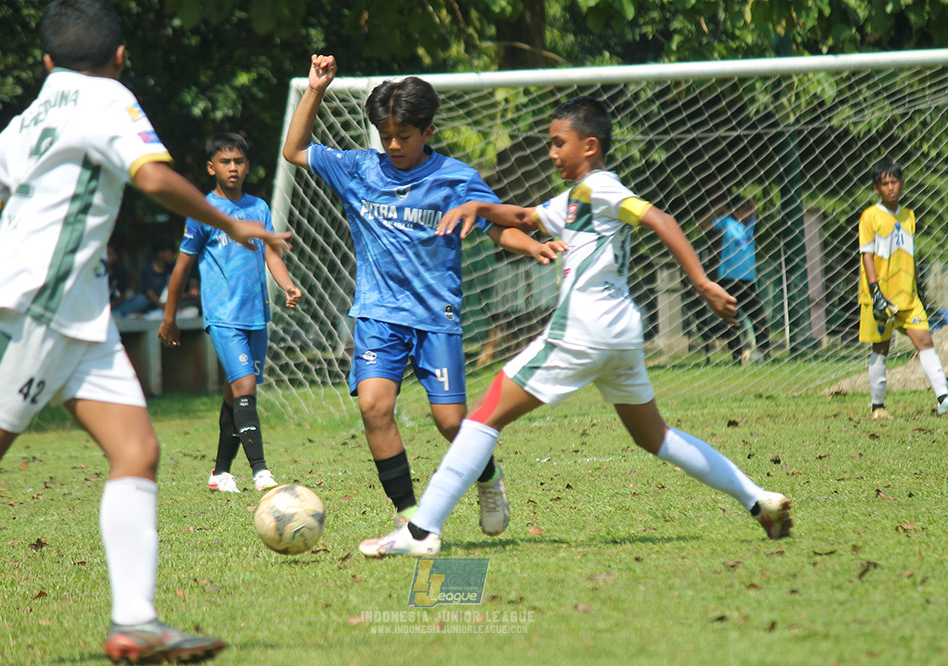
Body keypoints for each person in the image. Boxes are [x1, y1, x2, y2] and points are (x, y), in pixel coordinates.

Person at [0, 0, 289, 661]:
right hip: (35, 303)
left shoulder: (30, 117)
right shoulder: (107, 98)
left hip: (82, 313)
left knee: (137, 451)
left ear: (47, 61)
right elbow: (153, 176)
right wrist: (233, 224)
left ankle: (135, 622)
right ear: (120, 56)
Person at [359, 96, 793, 558]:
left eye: (557, 143)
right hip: (620, 333)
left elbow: (660, 219)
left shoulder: (603, 188)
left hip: (583, 329)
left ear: (589, 146)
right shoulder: (577, 197)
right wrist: (477, 210)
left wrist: (703, 281)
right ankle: (757, 500)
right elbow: (525, 218)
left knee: (482, 417)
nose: (551, 152)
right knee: (655, 437)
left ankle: (421, 532)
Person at [282, 54, 564, 534]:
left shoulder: (455, 178)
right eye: (386, 135)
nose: (393, 145)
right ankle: (409, 513)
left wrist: (532, 245)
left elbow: (498, 228)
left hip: (436, 316)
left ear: (427, 132)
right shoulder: (357, 169)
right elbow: (294, 150)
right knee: (373, 406)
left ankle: (488, 476)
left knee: (452, 423)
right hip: (377, 313)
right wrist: (315, 90)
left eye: (404, 137)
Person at [159, 132, 302, 493]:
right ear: (212, 168)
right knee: (246, 386)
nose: (233, 168)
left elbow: (272, 254)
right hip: (223, 316)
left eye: (239, 161)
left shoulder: (259, 208)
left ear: (248, 166)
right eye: (225, 162)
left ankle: (221, 472)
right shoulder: (203, 213)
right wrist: (169, 318)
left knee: (233, 392)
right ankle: (260, 472)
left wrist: (286, 285)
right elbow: (181, 268)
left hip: (257, 316)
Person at [858, 159, 948, 419]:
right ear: (876, 188)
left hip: (907, 296)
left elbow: (910, 255)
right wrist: (876, 292)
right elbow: (867, 257)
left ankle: (943, 398)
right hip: (881, 296)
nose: (890, 188)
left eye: (894, 182)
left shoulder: (909, 216)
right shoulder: (870, 217)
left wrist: (918, 287)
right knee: (881, 348)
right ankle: (878, 407)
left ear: (902, 183)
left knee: (925, 341)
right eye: (884, 184)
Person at [700, 193, 769, 364]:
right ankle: (736, 359)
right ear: (736, 212)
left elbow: (756, 209)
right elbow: (703, 224)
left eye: (748, 210)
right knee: (732, 321)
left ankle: (764, 355)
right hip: (728, 279)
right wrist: (720, 210)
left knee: (759, 318)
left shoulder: (751, 224)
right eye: (743, 210)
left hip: (747, 280)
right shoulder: (728, 223)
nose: (748, 213)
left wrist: (750, 204)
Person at [112, 236, 176, 318]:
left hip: (168, 305)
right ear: (161, 253)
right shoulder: (147, 271)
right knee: (141, 300)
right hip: (151, 306)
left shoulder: (172, 269)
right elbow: (149, 293)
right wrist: (162, 305)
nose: (172, 256)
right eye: (171, 252)